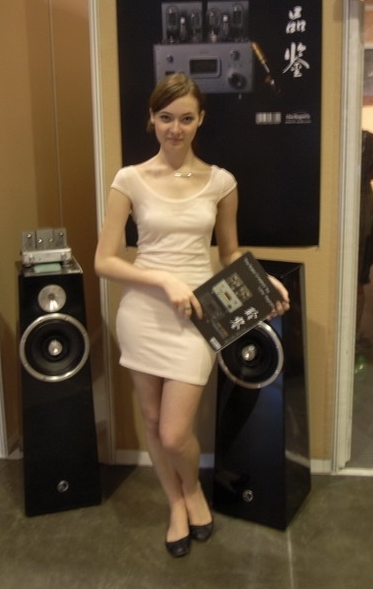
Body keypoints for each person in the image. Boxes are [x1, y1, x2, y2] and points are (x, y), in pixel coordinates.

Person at [94, 73, 290, 558]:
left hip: (199, 317)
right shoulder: (129, 180)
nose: (175, 129)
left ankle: (194, 489)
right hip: (143, 314)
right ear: (152, 118)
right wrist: (163, 279)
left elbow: (228, 253)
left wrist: (262, 280)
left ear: (200, 119)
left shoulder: (222, 182)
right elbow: (104, 260)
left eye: (185, 118)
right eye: (166, 118)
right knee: (152, 418)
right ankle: (177, 503)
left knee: (174, 431)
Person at [357, 130, 373, 341]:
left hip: (338, 194)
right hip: (363, 199)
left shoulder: (341, 133)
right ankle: (355, 333)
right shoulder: (371, 139)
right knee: (358, 277)